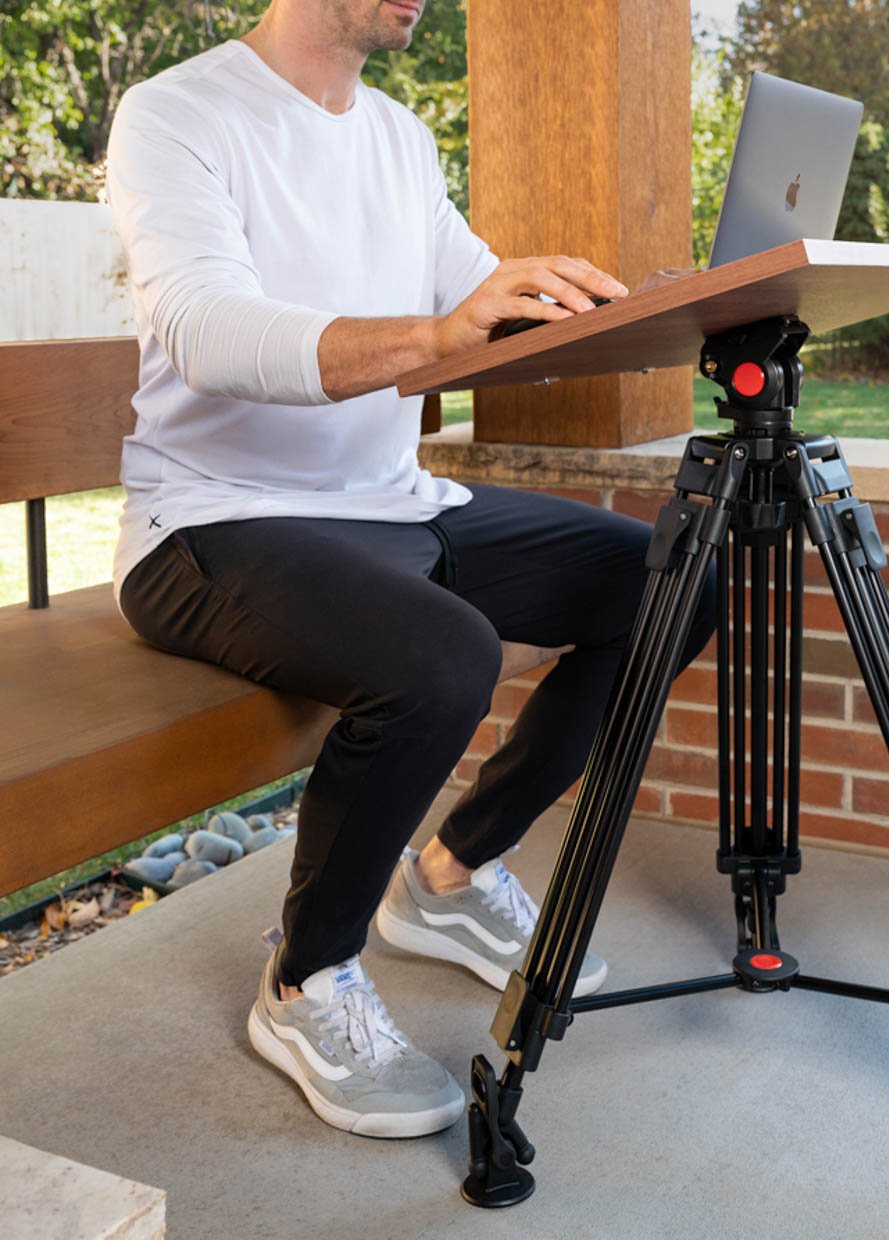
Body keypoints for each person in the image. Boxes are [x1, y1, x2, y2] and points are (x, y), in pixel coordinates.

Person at [106, 0, 715, 1139]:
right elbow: (206, 327)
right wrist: (440, 335)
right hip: (212, 523)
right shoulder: (178, 113)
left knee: (673, 573)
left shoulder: (396, 135)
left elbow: (488, 304)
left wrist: (653, 307)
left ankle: (449, 872)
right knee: (444, 657)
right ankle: (303, 982)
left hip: (389, 503)